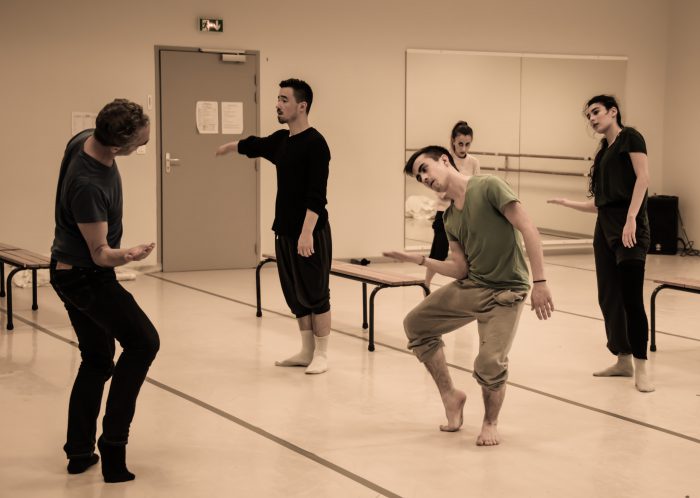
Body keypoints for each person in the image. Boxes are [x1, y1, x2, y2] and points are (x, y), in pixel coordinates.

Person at [384, 145, 554, 446]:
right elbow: (460, 270)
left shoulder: (489, 187)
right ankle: (451, 397)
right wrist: (420, 260)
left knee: (489, 362)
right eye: (419, 178)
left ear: (444, 160)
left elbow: (528, 227)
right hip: (474, 286)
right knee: (416, 324)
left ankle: (490, 422)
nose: (424, 179)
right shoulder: (450, 218)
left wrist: (539, 281)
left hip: (507, 291)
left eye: (424, 169)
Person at [50, 99, 160, 482]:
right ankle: (114, 447)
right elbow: (99, 254)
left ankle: (79, 451)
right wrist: (126, 254)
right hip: (84, 277)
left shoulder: (85, 137)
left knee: (97, 359)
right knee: (144, 343)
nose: (144, 145)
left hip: (70, 269)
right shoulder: (88, 184)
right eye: (140, 142)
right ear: (116, 145)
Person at [216, 78, 332, 374]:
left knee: (315, 292)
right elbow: (256, 144)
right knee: (295, 293)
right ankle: (306, 350)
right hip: (285, 229)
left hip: (310, 231)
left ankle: (322, 354)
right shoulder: (282, 141)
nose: (278, 104)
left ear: (302, 106)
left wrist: (306, 233)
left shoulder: (316, 144)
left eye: (284, 99)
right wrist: (231, 146)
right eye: (278, 99)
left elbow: (317, 195)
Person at [548, 95, 654, 392]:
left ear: (613, 111)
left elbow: (643, 178)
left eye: (596, 112)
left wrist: (632, 218)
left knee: (631, 298)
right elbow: (600, 203)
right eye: (588, 115)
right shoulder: (603, 152)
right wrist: (567, 203)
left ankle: (641, 367)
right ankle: (623, 359)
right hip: (604, 229)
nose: (592, 119)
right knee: (609, 297)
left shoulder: (630, 137)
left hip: (629, 228)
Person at [425, 121, 481, 287]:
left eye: (467, 144)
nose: (463, 148)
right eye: (460, 144)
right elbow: (438, 188)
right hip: (445, 212)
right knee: (438, 253)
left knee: (467, 254)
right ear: (453, 141)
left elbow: (476, 186)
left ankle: (467, 284)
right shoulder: (443, 160)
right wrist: (454, 195)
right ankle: (426, 283)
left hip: (465, 213)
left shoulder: (474, 162)